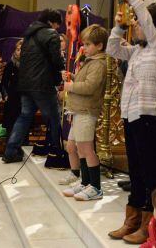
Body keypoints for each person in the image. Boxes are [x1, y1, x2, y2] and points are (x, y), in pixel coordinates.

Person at [107, 0, 156, 245]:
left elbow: (146, 21)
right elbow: (112, 48)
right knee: (135, 170)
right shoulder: (136, 51)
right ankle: (132, 218)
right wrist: (119, 26)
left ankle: (150, 223)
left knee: (150, 172)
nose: (136, 25)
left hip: (149, 118)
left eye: (137, 22)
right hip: (130, 116)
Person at [3, 9, 65, 164]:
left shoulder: (28, 35)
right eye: (58, 25)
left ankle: (10, 152)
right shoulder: (51, 34)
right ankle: (56, 152)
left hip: (25, 84)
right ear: (52, 22)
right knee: (54, 117)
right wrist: (61, 70)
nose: (57, 28)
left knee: (24, 117)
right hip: (42, 84)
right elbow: (56, 60)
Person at [60, 25, 109, 201]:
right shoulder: (91, 62)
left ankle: (95, 187)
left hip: (87, 110)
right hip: (78, 109)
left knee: (87, 149)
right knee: (77, 147)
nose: (84, 48)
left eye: (88, 44)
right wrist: (72, 77)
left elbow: (90, 87)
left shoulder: (98, 64)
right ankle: (85, 182)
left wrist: (71, 86)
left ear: (99, 46)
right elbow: (84, 80)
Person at [0, 39, 23, 134]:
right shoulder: (10, 65)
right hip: (11, 102)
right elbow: (3, 83)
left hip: (25, 103)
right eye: (18, 49)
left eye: (23, 49)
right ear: (14, 51)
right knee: (11, 133)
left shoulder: (31, 66)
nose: (20, 52)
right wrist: (5, 95)